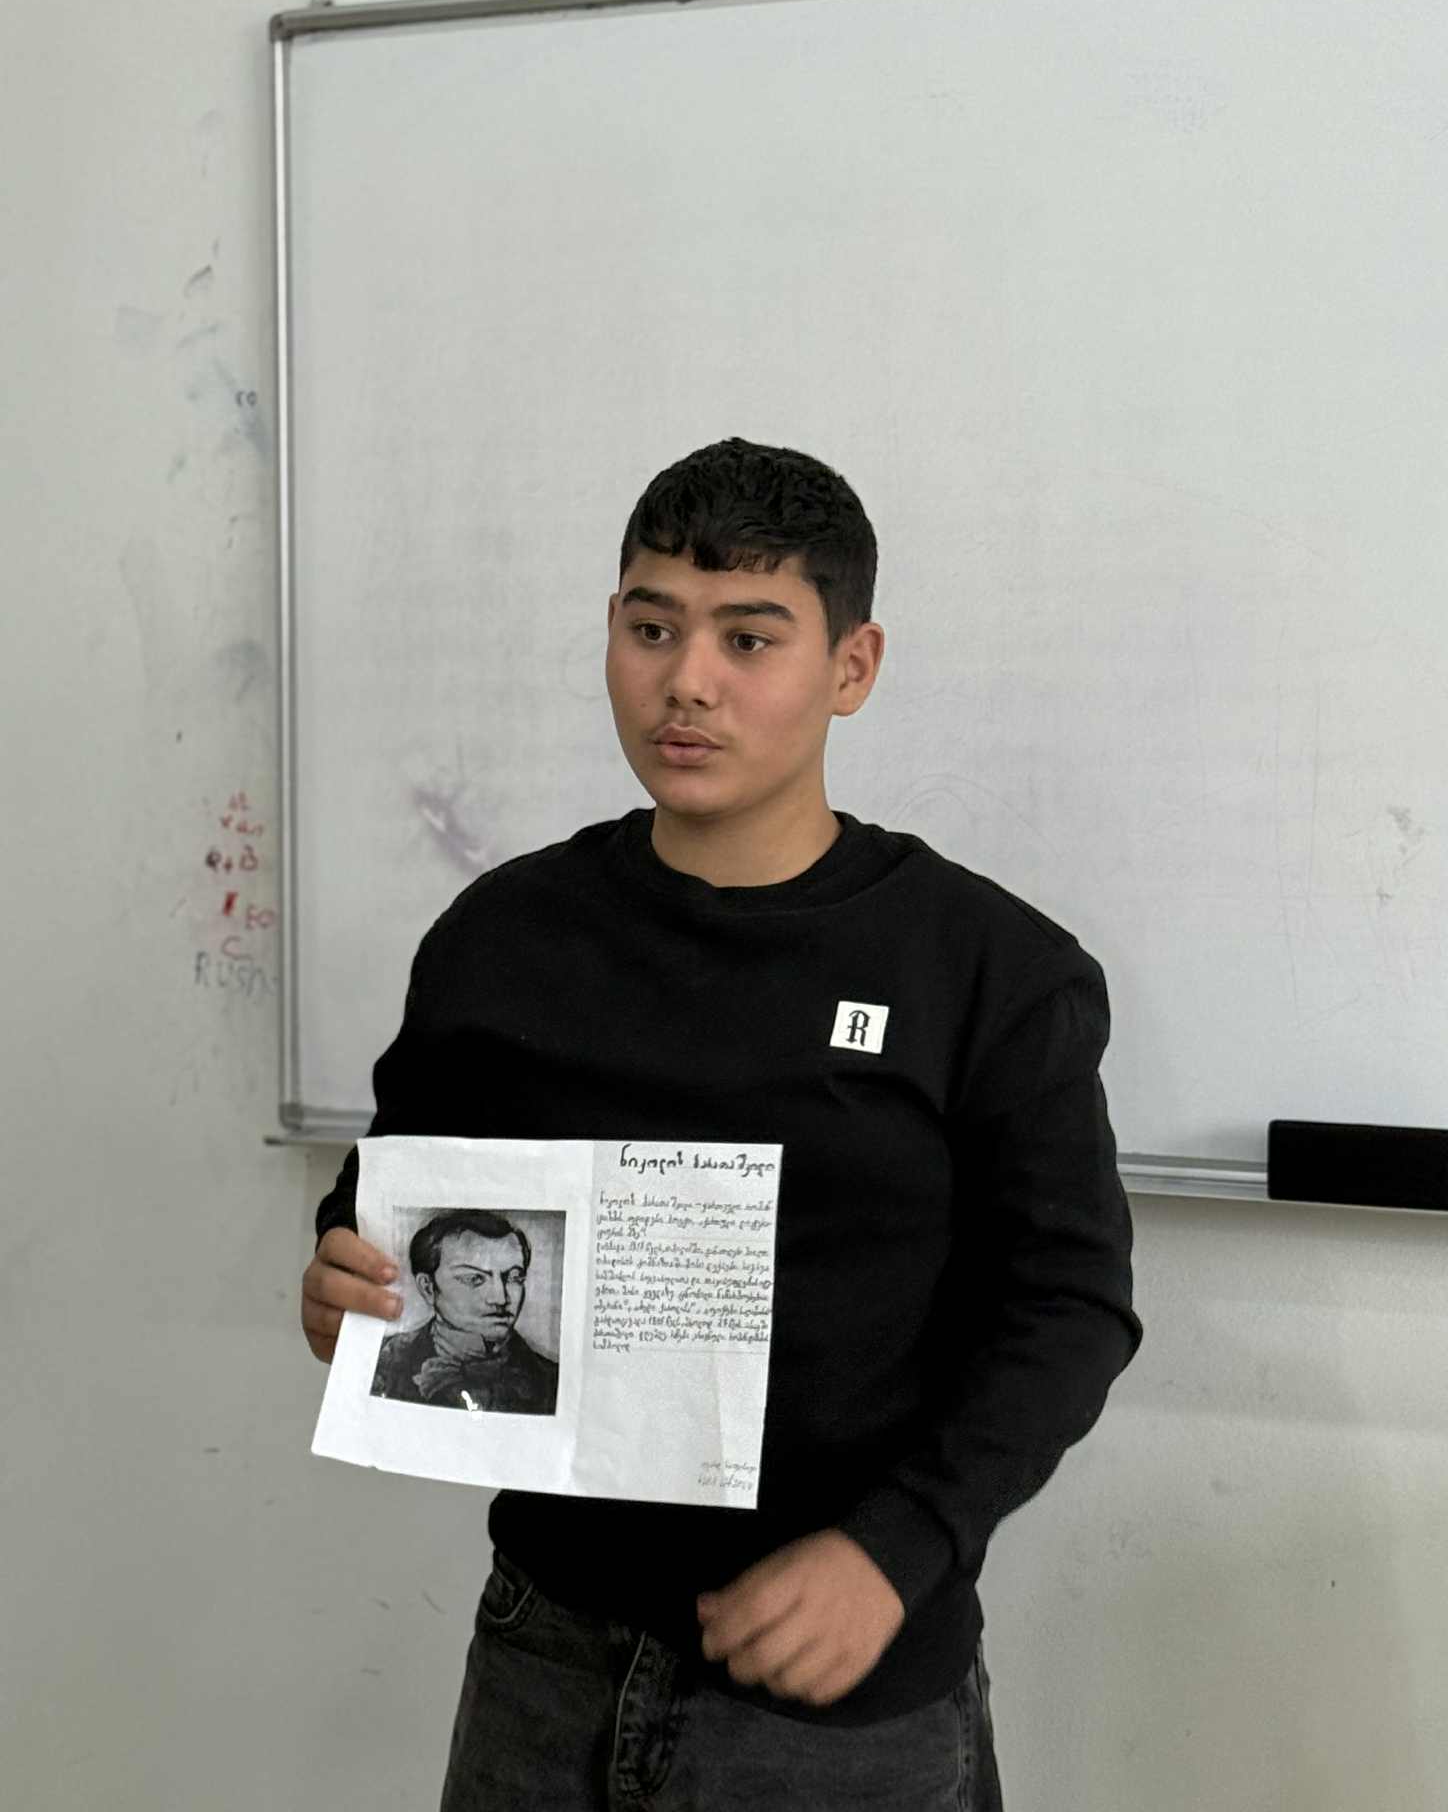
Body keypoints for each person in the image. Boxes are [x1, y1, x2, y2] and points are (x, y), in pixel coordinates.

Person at [300, 436, 1143, 1810]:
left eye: (751, 637)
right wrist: (344, 1277)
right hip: (543, 1653)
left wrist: (895, 1551)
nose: (686, 681)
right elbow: (386, 1200)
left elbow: (1069, 1307)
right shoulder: (505, 938)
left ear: (851, 668)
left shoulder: (986, 968)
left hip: (835, 1699)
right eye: (650, 628)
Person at [370, 1211, 559, 1415]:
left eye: (514, 1278)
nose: (500, 1298)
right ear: (428, 1288)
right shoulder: (380, 1360)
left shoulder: (551, 1379)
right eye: (474, 1279)